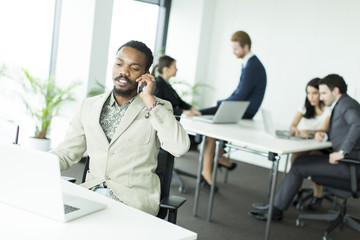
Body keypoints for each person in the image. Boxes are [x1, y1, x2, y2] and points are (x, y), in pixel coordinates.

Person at [50, 40, 190, 216]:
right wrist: (33, 161)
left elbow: (180, 147)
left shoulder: (158, 107)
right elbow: (67, 153)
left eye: (134, 68)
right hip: (91, 195)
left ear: (145, 74)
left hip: (133, 202)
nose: (123, 72)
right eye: (119, 64)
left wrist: (149, 101)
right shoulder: (89, 106)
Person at [249, 74, 360, 221]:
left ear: (336, 91)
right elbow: (342, 130)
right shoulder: (342, 104)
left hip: (350, 167)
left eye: (324, 93)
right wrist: (325, 136)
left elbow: (358, 123)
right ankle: (274, 206)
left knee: (298, 166)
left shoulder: (346, 105)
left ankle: (275, 210)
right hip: (348, 164)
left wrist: (342, 152)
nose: (320, 98)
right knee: (300, 162)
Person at [200, 31, 267, 189]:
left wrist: (212, 108)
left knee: (211, 134)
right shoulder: (249, 63)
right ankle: (220, 158)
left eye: (236, 49)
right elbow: (238, 92)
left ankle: (207, 173)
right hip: (240, 108)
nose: (233, 52)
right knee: (212, 126)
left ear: (246, 47)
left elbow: (240, 95)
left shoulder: (253, 66)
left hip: (243, 111)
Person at [288, 78, 331, 210]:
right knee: (294, 158)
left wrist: (310, 132)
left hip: (321, 145)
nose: (310, 97)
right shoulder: (305, 104)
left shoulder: (328, 108)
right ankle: (298, 191)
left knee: (313, 159)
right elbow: (293, 124)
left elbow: (324, 129)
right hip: (305, 144)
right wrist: (294, 128)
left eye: (314, 93)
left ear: (322, 94)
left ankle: (318, 195)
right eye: (308, 93)